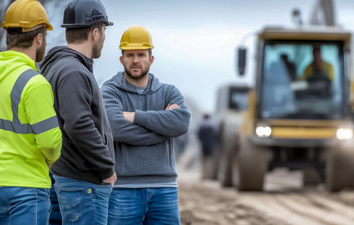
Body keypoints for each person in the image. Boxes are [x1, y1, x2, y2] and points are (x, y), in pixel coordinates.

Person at [0, 0, 62, 224]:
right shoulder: (35, 83)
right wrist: (51, 159)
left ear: (8, 37)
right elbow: (50, 144)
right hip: (25, 190)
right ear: (39, 38)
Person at [101, 26, 191, 225]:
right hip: (123, 189)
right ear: (121, 59)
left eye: (141, 54)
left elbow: (182, 123)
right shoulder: (109, 91)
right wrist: (162, 130)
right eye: (130, 54)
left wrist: (134, 116)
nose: (135, 60)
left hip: (164, 188)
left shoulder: (169, 92)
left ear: (151, 59)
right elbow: (114, 127)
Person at [39, 0, 116, 224]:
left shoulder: (58, 67)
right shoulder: (74, 71)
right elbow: (78, 124)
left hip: (68, 177)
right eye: (103, 32)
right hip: (84, 184)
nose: (103, 38)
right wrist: (106, 168)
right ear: (95, 32)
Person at [197, 114, 219, 180]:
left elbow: (199, 136)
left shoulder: (201, 126)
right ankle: (209, 176)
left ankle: (204, 175)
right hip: (211, 146)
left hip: (203, 146)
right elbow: (216, 136)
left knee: (204, 161)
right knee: (210, 161)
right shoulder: (213, 127)